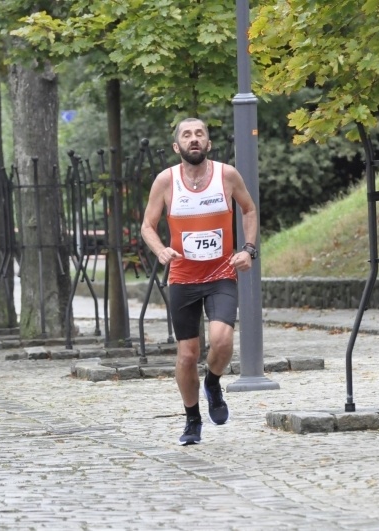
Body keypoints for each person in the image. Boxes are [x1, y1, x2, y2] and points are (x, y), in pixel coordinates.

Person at [141, 117, 259, 445]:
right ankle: (192, 419)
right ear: (177, 147)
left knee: (222, 341)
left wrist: (248, 250)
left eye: (200, 134)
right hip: (183, 278)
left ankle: (213, 383)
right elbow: (147, 226)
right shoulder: (165, 182)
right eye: (187, 135)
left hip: (221, 273)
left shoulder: (227, 175)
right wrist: (160, 250)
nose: (194, 139)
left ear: (208, 143)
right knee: (188, 355)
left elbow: (249, 210)